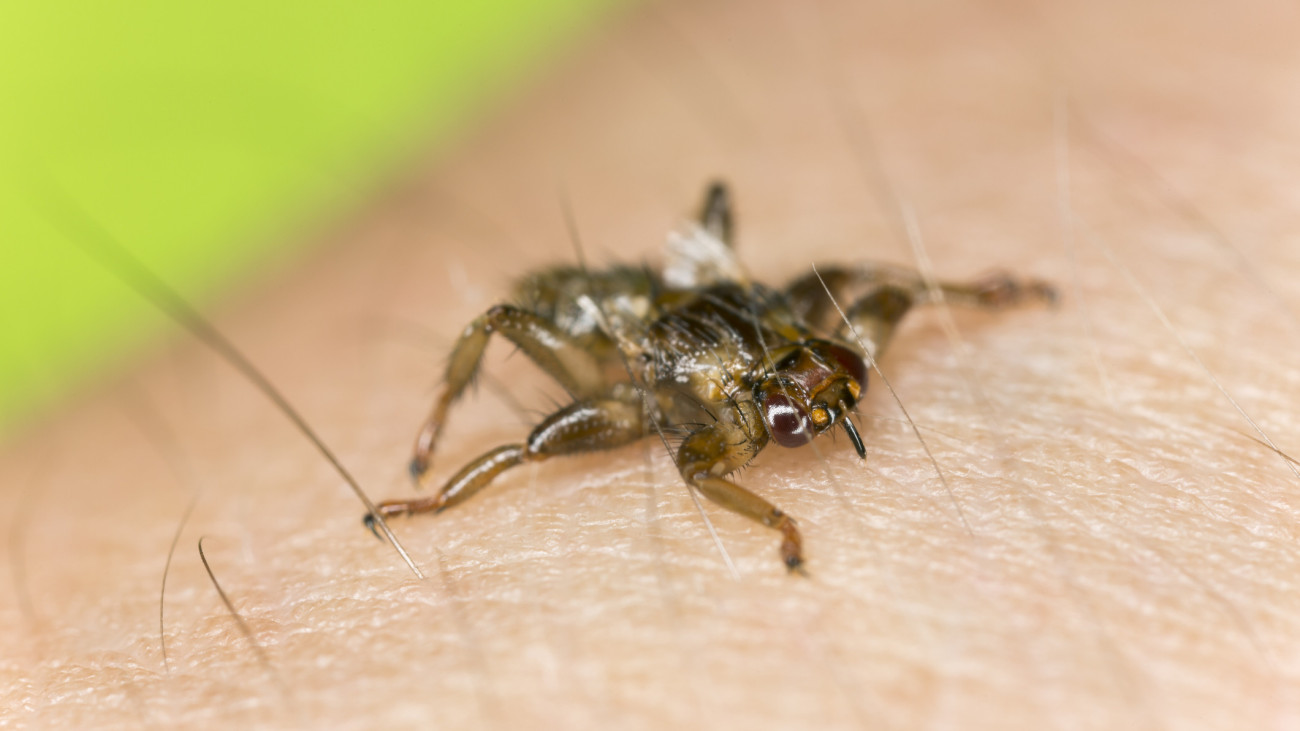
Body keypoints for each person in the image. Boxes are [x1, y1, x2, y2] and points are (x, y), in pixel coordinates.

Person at [3, 0, 1296, 726]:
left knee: (868, 280)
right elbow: (685, 463)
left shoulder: (814, 335)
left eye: (820, 380)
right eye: (800, 404)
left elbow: (872, 287)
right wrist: (774, 521)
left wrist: (968, 294)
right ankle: (426, 464)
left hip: (683, 294)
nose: (830, 398)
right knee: (517, 419)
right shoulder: (688, 425)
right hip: (608, 322)